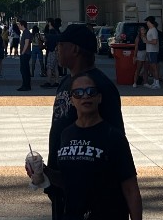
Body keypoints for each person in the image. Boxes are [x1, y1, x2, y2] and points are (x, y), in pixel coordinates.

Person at [41, 24, 126, 220]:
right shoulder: (66, 82)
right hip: (62, 184)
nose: (57, 49)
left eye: (61, 45)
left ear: (75, 49)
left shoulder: (99, 86)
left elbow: (117, 141)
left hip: (91, 193)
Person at [36, 73, 143, 220]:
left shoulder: (113, 136)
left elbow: (130, 188)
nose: (85, 96)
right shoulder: (66, 134)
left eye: (91, 92)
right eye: (78, 93)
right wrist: (44, 171)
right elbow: (69, 180)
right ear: (72, 100)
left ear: (99, 98)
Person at [42, 20, 60, 87]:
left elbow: (49, 40)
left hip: (51, 51)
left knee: (49, 67)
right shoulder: (56, 32)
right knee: (55, 67)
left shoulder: (51, 32)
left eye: (48, 23)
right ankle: (57, 82)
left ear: (50, 23)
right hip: (55, 51)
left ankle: (48, 82)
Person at [144, 17, 160, 89]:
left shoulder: (153, 30)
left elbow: (155, 41)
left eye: (147, 21)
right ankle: (154, 82)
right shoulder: (150, 30)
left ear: (150, 22)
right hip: (149, 50)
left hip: (152, 51)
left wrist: (147, 41)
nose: (146, 23)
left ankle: (157, 83)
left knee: (154, 67)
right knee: (152, 68)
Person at [17, 20, 33, 91]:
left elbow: (26, 43)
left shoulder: (26, 32)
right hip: (26, 53)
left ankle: (26, 85)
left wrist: (23, 52)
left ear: (22, 25)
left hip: (25, 54)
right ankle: (26, 85)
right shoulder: (25, 32)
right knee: (24, 70)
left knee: (24, 70)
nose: (18, 26)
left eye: (19, 25)